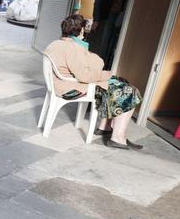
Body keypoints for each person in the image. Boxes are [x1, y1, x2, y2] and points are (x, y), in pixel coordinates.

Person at [44, 14, 143, 150]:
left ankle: (105, 126)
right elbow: (85, 75)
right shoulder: (72, 48)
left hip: (62, 83)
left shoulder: (56, 43)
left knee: (119, 83)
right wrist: (106, 74)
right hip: (72, 87)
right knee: (130, 91)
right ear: (81, 30)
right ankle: (118, 137)